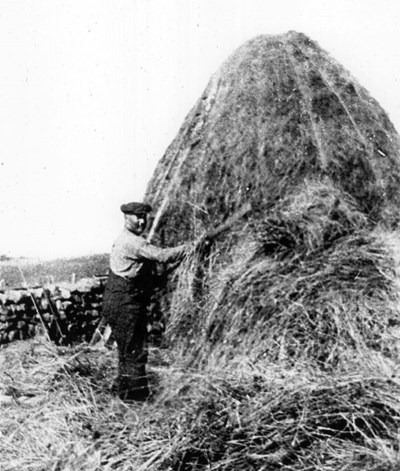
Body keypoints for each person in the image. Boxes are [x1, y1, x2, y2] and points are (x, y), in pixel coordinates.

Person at [102, 202, 186, 402]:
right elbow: (163, 256)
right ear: (126, 218)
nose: (142, 221)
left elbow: (153, 274)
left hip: (121, 300)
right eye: (137, 217)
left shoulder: (128, 240)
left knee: (127, 350)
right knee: (135, 351)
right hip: (125, 302)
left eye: (144, 217)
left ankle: (124, 392)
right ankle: (136, 399)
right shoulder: (132, 242)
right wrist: (190, 247)